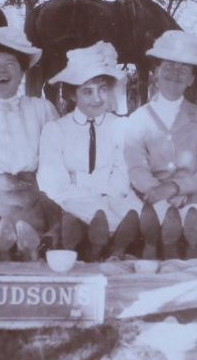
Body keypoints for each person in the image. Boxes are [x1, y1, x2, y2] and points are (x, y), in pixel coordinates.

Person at [0, 25, 60, 261]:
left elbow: (58, 156)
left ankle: (19, 244)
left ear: (22, 70)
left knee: (41, 225)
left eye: (10, 63)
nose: (2, 70)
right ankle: (3, 243)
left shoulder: (41, 109)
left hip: (32, 197)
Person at [37, 42, 143, 260]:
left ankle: (112, 249)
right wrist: (99, 183)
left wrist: (78, 178)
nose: (97, 99)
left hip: (114, 200)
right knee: (75, 217)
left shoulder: (121, 127)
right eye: (87, 91)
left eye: (102, 89)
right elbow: (53, 184)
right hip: (73, 203)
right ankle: (93, 248)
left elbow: (122, 180)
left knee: (132, 214)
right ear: (72, 95)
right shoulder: (55, 130)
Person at [124, 30, 197, 260]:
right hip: (153, 194)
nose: (175, 73)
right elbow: (136, 169)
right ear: (155, 72)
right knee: (157, 219)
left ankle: (193, 250)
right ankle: (163, 248)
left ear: (192, 79)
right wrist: (171, 196)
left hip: (194, 193)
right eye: (168, 66)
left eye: (184, 68)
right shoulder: (138, 119)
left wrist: (178, 189)